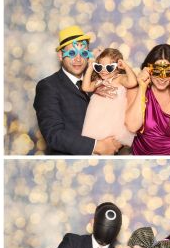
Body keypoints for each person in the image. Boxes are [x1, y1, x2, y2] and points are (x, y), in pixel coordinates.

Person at [33, 26, 122, 155]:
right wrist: (97, 146)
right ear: (60, 55)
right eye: (72, 53)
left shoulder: (98, 81)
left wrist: (118, 141)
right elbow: (54, 135)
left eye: (83, 53)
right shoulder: (48, 86)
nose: (78, 59)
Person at [126, 44, 170, 155]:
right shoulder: (135, 90)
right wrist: (142, 88)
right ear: (148, 69)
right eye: (156, 71)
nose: (162, 78)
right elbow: (132, 126)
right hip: (142, 160)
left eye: (168, 72)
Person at [81, 47, 138, 146]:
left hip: (113, 121)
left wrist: (125, 66)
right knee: (95, 144)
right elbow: (86, 87)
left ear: (117, 68)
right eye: (99, 67)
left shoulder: (119, 78)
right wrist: (90, 67)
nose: (103, 71)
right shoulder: (99, 81)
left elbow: (133, 82)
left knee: (109, 145)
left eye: (109, 67)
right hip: (96, 121)